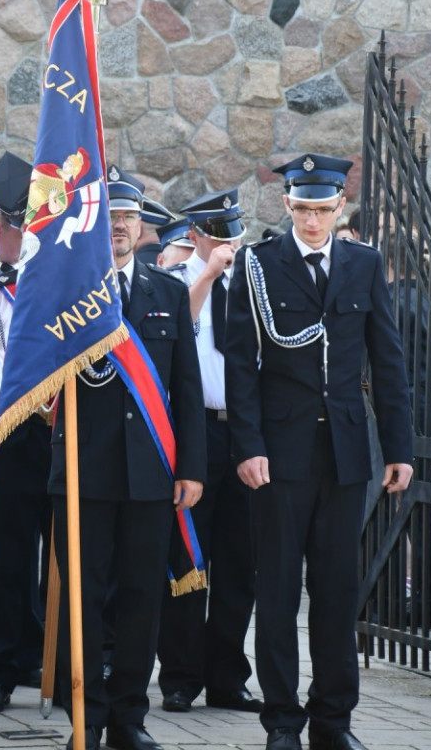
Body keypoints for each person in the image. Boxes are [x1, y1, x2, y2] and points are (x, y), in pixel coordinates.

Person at [225, 154, 414, 750]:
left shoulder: (364, 263)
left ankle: (334, 723)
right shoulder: (257, 265)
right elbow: (240, 365)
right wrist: (248, 446)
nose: (312, 221)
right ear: (287, 205)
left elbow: (388, 360)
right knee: (277, 593)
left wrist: (400, 448)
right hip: (278, 456)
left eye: (324, 210)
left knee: (336, 595)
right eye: (303, 209)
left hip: (345, 454)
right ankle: (282, 722)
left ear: (340, 208)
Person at [50, 166, 206, 750]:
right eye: (110, 217)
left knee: (143, 599)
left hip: (150, 474)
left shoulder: (166, 291)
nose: (119, 226)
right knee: (83, 602)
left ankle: (130, 720)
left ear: (142, 228)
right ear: (92, 224)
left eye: (128, 219)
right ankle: (84, 720)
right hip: (81, 472)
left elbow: (185, 389)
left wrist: (191, 468)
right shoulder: (65, 291)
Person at [157, 189, 261, 714]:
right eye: (218, 235)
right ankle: (179, 676)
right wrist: (207, 275)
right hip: (192, 432)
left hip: (240, 431)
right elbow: (179, 329)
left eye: (233, 235)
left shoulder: (253, 284)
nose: (228, 245)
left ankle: (228, 676)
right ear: (195, 236)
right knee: (187, 563)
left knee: (239, 564)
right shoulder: (176, 282)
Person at [0, 152, 53, 714]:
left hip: (64, 428)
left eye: (28, 226)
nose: (17, 236)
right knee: (8, 557)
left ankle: (61, 659)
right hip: (10, 429)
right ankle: (2, 667)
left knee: (71, 553)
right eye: (11, 227)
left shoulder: (69, 287)